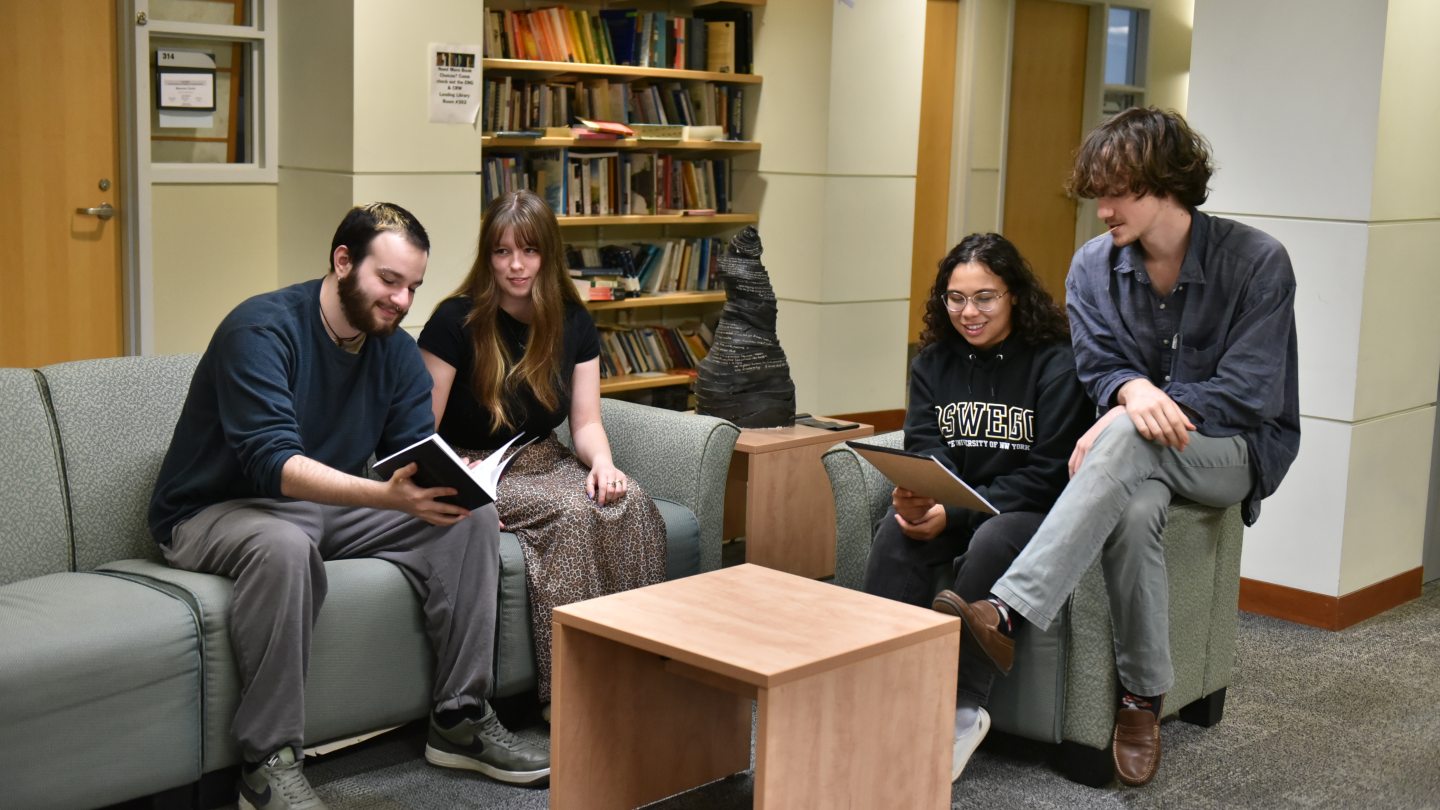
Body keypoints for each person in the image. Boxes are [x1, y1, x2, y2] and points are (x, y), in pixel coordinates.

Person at [936, 107, 1300, 787]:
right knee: (1133, 516)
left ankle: (1007, 607)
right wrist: (1130, 392)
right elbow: (1098, 367)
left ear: (1167, 184)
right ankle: (1142, 700)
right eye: (1095, 195)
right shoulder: (1092, 268)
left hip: (1231, 452)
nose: (1101, 210)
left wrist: (1136, 408)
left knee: (1131, 427)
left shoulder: (1257, 262)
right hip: (1139, 461)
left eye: (1117, 193)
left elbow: (1250, 392)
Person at [148, 203, 550, 810]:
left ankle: (460, 717)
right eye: (389, 281)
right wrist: (383, 494)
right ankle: (266, 764)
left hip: (317, 509)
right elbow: (271, 464)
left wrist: (449, 477)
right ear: (342, 262)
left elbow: (412, 449)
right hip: (214, 510)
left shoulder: (390, 346)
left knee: (468, 520)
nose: (402, 302)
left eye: (413, 287)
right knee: (285, 545)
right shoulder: (260, 330)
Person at [418, 189, 667, 714]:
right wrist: (458, 482)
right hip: (478, 468)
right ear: (487, 257)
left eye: (528, 251)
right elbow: (421, 427)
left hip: (545, 458)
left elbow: (586, 421)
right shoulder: (454, 321)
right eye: (503, 252)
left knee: (630, 504)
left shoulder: (573, 322)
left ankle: (637, 674)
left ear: (548, 255)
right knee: (577, 514)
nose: (516, 265)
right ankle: (572, 698)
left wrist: (603, 462)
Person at [861, 233, 1092, 782]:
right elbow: (924, 445)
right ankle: (876, 683)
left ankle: (963, 707)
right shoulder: (934, 362)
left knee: (992, 539)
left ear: (1014, 295)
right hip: (958, 503)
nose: (969, 312)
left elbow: (1048, 472)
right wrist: (923, 499)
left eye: (985, 297)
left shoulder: (1057, 363)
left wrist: (958, 514)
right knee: (895, 533)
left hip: (1028, 513)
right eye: (956, 298)